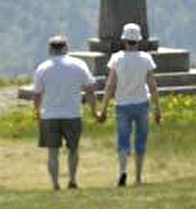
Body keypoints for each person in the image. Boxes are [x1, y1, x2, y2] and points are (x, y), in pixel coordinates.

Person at [97, 23, 162, 186]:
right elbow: (153, 85)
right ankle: (138, 177)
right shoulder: (146, 59)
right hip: (141, 103)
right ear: (138, 40)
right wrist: (157, 109)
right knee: (140, 141)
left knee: (123, 141)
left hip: (122, 104)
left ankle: (123, 171)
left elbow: (110, 85)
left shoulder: (117, 59)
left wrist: (103, 109)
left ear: (124, 40)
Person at [31, 35, 99, 190]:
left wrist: (36, 111)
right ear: (66, 47)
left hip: (49, 115)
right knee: (73, 150)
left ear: (50, 49)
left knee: (52, 153)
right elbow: (90, 90)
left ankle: (55, 183)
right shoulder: (78, 65)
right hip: (73, 114)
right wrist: (94, 110)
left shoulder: (43, 68)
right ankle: (73, 179)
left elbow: (37, 94)